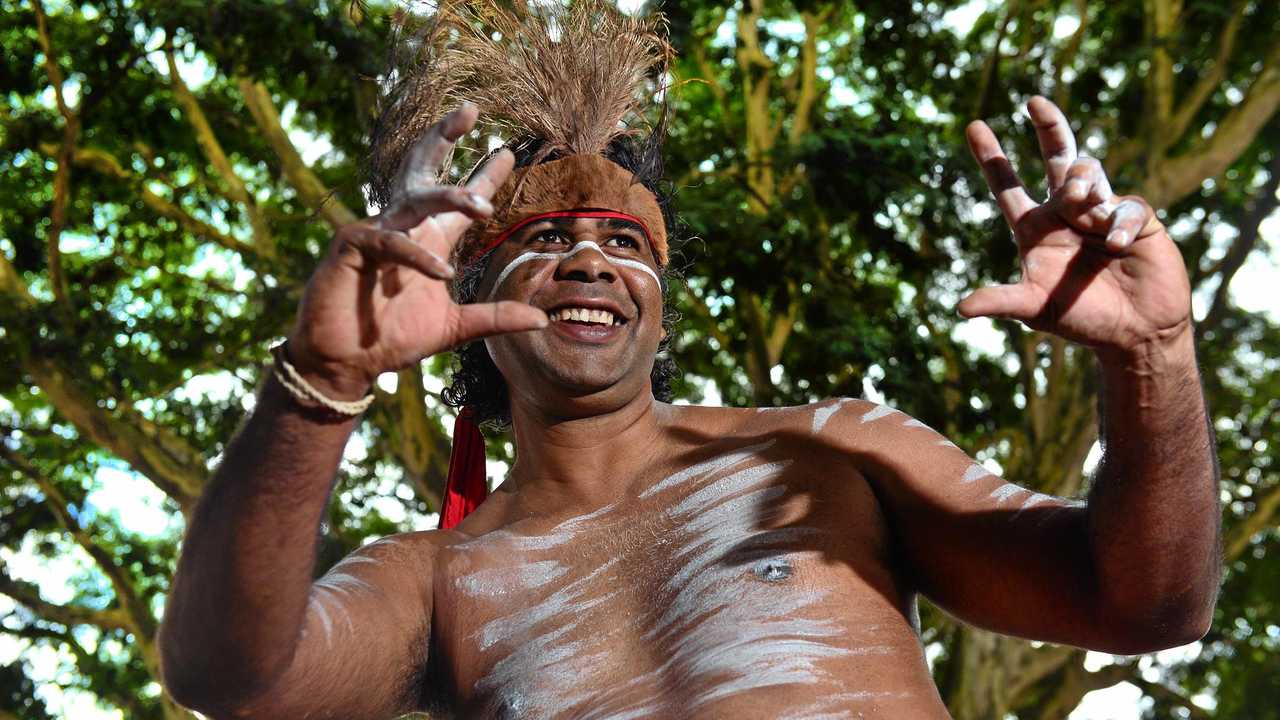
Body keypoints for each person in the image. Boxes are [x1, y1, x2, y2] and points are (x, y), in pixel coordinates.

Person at [157, 2, 1220, 718]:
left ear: (658, 309)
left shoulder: (825, 450)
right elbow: (229, 678)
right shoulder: (435, 578)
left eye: (624, 244)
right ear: (462, 300)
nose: (587, 258)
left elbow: (1144, 606)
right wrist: (318, 385)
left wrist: (1152, 358)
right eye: (541, 241)